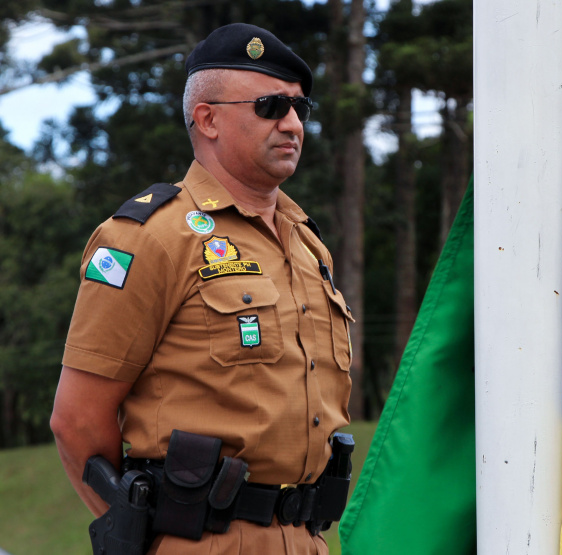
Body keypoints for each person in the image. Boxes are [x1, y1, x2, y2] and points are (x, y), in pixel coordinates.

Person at [50, 23, 354, 555]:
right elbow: (77, 421)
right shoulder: (149, 236)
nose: (291, 124)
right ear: (207, 119)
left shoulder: (308, 246)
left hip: (308, 540)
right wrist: (151, 529)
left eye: (299, 109)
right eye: (269, 106)